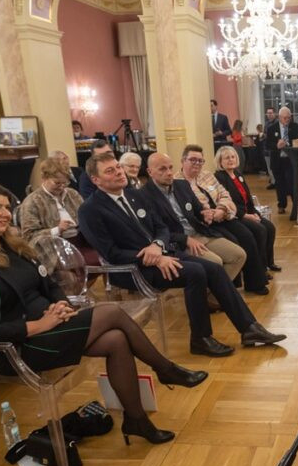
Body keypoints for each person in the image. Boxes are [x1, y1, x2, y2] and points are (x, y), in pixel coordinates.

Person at [0, 181, 208, 447]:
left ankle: (136, 419)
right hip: (14, 347)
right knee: (111, 313)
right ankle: (166, 369)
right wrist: (38, 325)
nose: (5, 213)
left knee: (116, 340)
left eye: (7, 207)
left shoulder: (11, 246)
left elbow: (49, 284)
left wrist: (61, 304)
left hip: (52, 325)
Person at [77, 153, 285, 357]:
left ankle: (249, 328)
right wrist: (153, 256)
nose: (119, 173)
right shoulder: (90, 210)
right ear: (96, 180)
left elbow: (161, 228)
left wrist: (158, 245)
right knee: (196, 272)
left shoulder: (133, 195)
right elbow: (111, 253)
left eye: (118, 167)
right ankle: (200, 339)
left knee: (213, 268)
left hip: (163, 254)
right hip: (134, 268)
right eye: (110, 171)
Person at [173, 144, 269, 294]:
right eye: (193, 160)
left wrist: (222, 209)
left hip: (223, 215)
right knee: (239, 239)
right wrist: (211, 213)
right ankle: (232, 287)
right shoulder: (177, 183)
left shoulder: (207, 175)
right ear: (183, 161)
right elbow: (192, 211)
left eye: (200, 161)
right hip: (206, 224)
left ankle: (255, 281)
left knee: (251, 234)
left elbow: (225, 195)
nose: (197, 164)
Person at [142, 152, 247, 281]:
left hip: (199, 233)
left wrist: (206, 215)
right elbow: (156, 230)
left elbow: (199, 210)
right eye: (162, 169)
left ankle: (214, 296)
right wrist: (185, 239)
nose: (169, 172)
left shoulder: (182, 185)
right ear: (150, 171)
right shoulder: (144, 196)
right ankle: (217, 295)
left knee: (239, 255)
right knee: (215, 262)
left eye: (170, 167)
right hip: (177, 242)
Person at [17, 158, 97, 265]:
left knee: (106, 256)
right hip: (53, 249)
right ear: (44, 178)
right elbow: (29, 236)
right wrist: (57, 229)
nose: (62, 187)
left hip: (81, 241)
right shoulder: (32, 202)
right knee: (73, 268)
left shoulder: (72, 194)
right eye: (57, 183)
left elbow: (87, 215)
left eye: (65, 183)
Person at [215, 145, 280, 273]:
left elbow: (247, 198)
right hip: (235, 216)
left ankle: (269, 262)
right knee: (260, 230)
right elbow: (228, 203)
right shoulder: (219, 177)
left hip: (248, 212)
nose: (231, 160)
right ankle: (260, 269)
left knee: (270, 227)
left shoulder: (238, 175)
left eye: (233, 157)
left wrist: (255, 213)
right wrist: (246, 215)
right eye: (227, 158)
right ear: (220, 161)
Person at [265, 107, 298, 214]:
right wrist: (277, 145)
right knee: (280, 184)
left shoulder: (294, 126)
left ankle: (296, 206)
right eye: (285, 118)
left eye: (289, 118)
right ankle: (281, 205)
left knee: (291, 183)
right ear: (279, 117)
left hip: (290, 160)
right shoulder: (271, 128)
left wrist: (288, 144)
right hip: (277, 161)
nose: (287, 120)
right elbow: (267, 145)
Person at [263, 107, 278, 187]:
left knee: (275, 167)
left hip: (274, 149)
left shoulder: (277, 123)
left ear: (274, 114)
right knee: (269, 167)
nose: (269, 115)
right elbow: (265, 134)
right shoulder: (266, 123)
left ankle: (276, 182)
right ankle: (273, 182)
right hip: (266, 148)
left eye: (271, 113)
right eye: (268, 113)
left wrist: (267, 136)